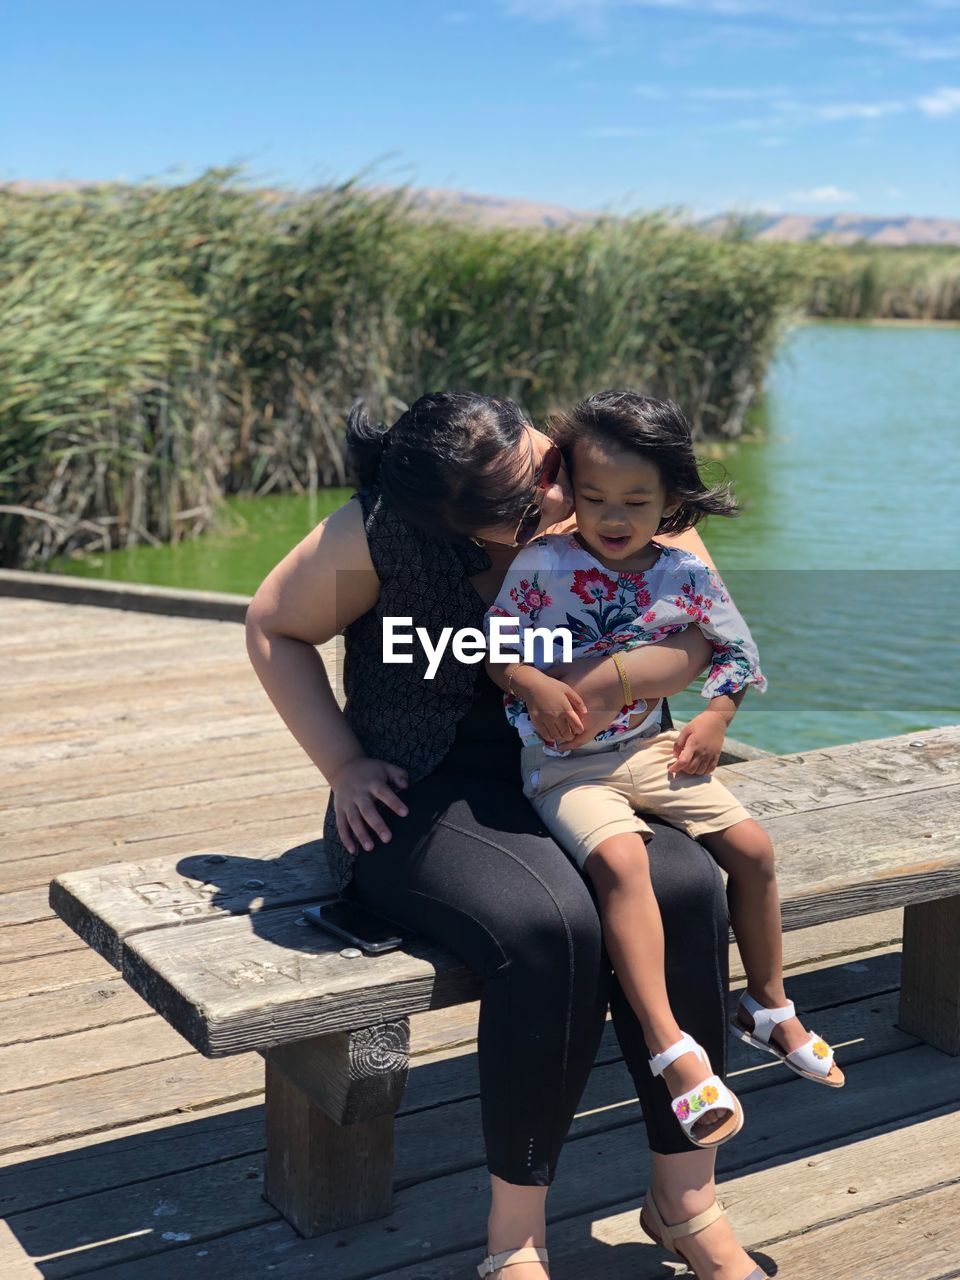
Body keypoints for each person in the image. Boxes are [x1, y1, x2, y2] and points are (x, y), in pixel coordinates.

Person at [244, 389, 766, 1280]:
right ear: (464, 528)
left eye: (549, 458)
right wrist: (343, 766)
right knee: (548, 924)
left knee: (685, 887)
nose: (570, 495)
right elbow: (274, 626)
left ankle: (684, 1202)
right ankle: (513, 1244)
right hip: (428, 792)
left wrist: (607, 681)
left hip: (587, 776)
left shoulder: (615, 491)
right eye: (535, 501)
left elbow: (704, 639)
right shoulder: (382, 535)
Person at [481, 389, 844, 1162]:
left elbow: (738, 653)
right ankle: (667, 1042)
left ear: (673, 500)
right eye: (594, 498)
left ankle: (770, 1004)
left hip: (652, 753)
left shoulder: (683, 573)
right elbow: (493, 646)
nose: (613, 518)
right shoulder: (545, 562)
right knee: (623, 861)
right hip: (563, 767)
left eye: (636, 501)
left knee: (751, 849)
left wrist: (714, 719)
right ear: (569, 492)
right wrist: (533, 684)